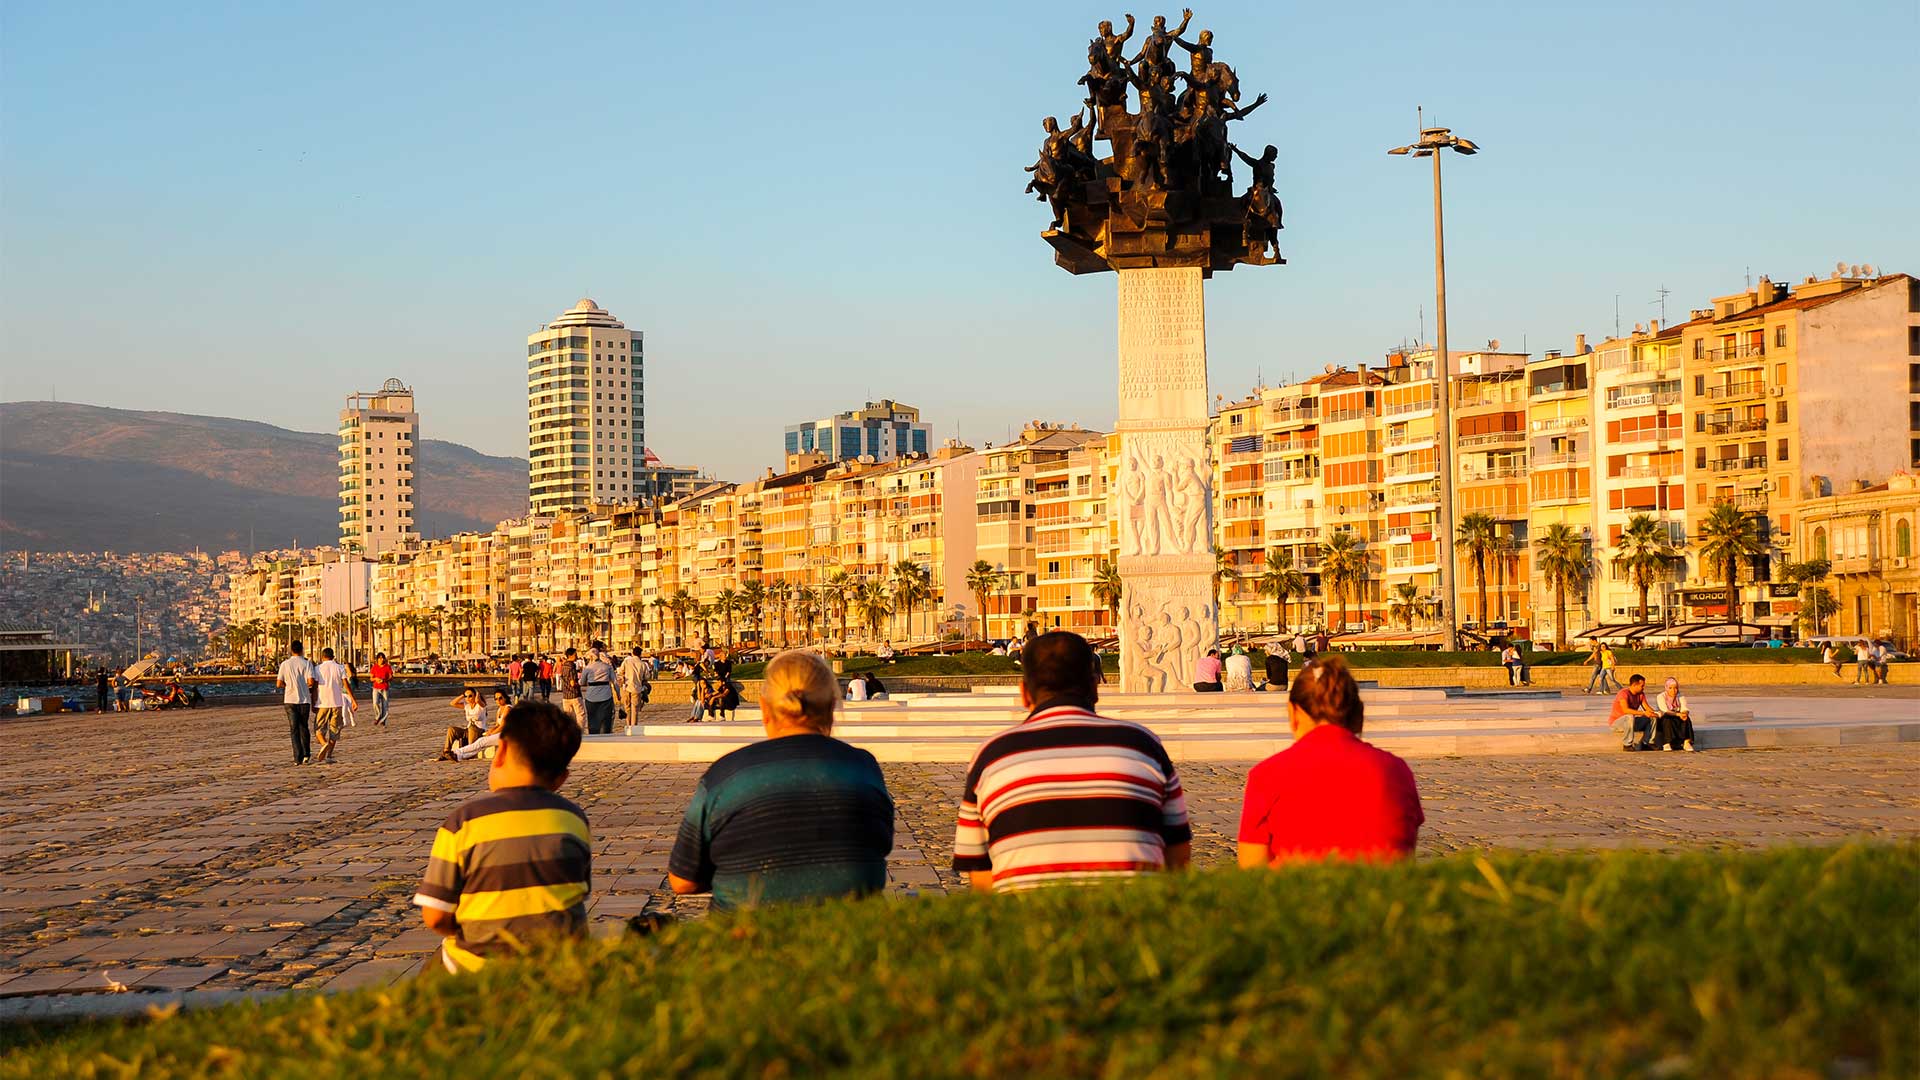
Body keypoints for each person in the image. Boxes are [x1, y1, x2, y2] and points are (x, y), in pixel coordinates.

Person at [953, 631, 1190, 892]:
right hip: (1130, 920)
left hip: (1027, 924)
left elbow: (981, 876)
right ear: (1094, 686)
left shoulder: (992, 757)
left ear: (1024, 693)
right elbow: (1177, 858)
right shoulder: (1144, 746)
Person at [669, 650, 894, 910]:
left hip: (746, 939)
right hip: (845, 939)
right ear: (832, 706)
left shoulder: (727, 776)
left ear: (765, 708)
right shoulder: (863, 770)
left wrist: (739, 875)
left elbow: (682, 880)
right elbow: (876, 850)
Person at [414, 700, 589, 974]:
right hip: (557, 960)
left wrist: (467, 930)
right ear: (562, 778)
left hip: (482, 964)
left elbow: (435, 916)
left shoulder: (464, 823)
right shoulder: (573, 819)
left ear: (501, 751)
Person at [1236, 656, 1423, 865]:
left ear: (1293, 713)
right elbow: (1404, 859)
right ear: (1358, 713)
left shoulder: (1267, 777)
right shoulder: (1395, 771)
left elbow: (1252, 873)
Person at [275, 641, 318, 766]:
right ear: (302, 650)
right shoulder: (307, 663)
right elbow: (311, 681)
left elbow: (279, 683)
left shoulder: (285, 664)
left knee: (293, 729)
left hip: (290, 700)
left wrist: (288, 685)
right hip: (304, 700)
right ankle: (306, 754)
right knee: (303, 727)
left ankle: (297, 757)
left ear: (291, 650)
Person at [310, 648, 354, 766]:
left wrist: (313, 702)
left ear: (322, 656)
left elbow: (314, 687)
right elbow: (346, 684)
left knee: (318, 729)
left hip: (322, 703)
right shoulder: (339, 668)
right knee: (334, 730)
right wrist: (353, 700)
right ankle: (329, 755)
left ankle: (324, 744)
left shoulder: (317, 668)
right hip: (337, 703)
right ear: (333, 656)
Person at [1608, 674, 1660, 751]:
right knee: (1630, 716)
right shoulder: (1623, 693)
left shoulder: (1641, 694)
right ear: (1634, 685)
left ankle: (1647, 742)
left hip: (1631, 722)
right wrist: (1643, 713)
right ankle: (1627, 744)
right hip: (1617, 723)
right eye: (1642, 686)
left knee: (1652, 717)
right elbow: (1626, 710)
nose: (1643, 688)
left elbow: (1647, 708)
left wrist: (1656, 713)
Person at [439, 688, 489, 760]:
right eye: (466, 696)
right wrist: (463, 695)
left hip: (479, 730)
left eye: (470, 696)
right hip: (469, 730)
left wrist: (477, 694)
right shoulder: (467, 706)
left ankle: (468, 753)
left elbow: (478, 701)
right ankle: (446, 752)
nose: (468, 698)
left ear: (475, 696)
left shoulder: (481, 706)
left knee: (472, 728)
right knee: (451, 729)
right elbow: (452, 703)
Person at [580, 641, 616, 735]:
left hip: (591, 696)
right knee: (606, 719)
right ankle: (606, 737)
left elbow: (582, 682)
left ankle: (594, 737)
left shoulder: (587, 668)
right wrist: (619, 694)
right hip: (606, 695)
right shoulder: (607, 666)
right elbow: (614, 681)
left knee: (592, 719)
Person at [1652, 677, 1696, 752]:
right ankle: (1666, 743)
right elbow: (1665, 710)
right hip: (1664, 717)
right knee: (1667, 718)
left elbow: (1684, 708)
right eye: (1670, 688)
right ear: (1666, 688)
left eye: (1675, 688)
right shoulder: (1661, 696)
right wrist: (1678, 715)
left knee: (1686, 718)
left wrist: (1684, 713)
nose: (1673, 691)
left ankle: (1687, 742)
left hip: (1677, 716)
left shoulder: (1680, 696)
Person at [618, 646, 651, 734]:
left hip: (627, 687)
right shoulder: (643, 664)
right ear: (640, 654)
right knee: (635, 709)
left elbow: (620, 672)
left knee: (627, 708)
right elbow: (647, 676)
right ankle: (634, 727)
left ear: (632, 653)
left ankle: (628, 726)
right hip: (637, 688)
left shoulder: (627, 662)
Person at [556, 647, 584, 729]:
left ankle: (569, 733)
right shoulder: (572, 666)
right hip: (574, 694)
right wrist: (579, 684)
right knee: (580, 714)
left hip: (565, 695)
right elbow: (572, 683)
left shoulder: (564, 665)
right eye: (575, 654)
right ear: (571, 655)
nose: (577, 656)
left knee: (568, 717)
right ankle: (580, 732)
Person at [369, 652, 393, 727]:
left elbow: (391, 677)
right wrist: (376, 679)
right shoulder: (374, 667)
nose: (381, 659)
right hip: (376, 687)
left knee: (385, 705)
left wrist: (384, 680)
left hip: (385, 688)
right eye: (379, 658)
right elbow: (371, 678)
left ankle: (383, 720)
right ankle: (378, 716)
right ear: (377, 659)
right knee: (375, 702)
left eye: (382, 658)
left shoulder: (387, 667)